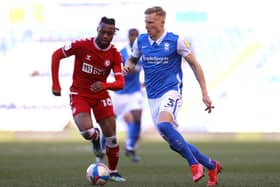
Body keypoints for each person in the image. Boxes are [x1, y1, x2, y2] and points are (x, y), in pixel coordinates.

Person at [123, 6, 222, 186]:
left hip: (171, 91)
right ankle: (211, 165)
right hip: (152, 97)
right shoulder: (141, 41)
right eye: (146, 22)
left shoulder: (175, 41)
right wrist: (128, 66)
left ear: (162, 22)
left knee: (164, 124)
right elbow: (133, 59)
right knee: (174, 143)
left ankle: (194, 165)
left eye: (150, 22)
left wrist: (205, 93)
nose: (147, 26)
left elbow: (195, 65)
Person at [51, 16, 126, 182]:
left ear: (114, 34)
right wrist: (56, 83)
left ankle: (113, 171)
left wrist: (105, 85)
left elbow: (120, 83)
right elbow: (56, 55)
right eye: (103, 32)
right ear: (97, 30)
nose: (106, 36)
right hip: (80, 94)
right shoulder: (82, 45)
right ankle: (95, 138)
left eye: (110, 33)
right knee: (87, 132)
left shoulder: (114, 54)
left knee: (112, 138)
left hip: (101, 96)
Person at [114, 28, 143, 162]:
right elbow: (117, 71)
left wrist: (146, 82)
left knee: (137, 117)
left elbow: (147, 69)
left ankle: (130, 147)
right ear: (128, 37)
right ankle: (101, 148)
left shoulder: (142, 53)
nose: (134, 38)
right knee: (109, 121)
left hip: (134, 92)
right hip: (120, 92)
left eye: (136, 36)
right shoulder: (122, 53)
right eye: (132, 35)